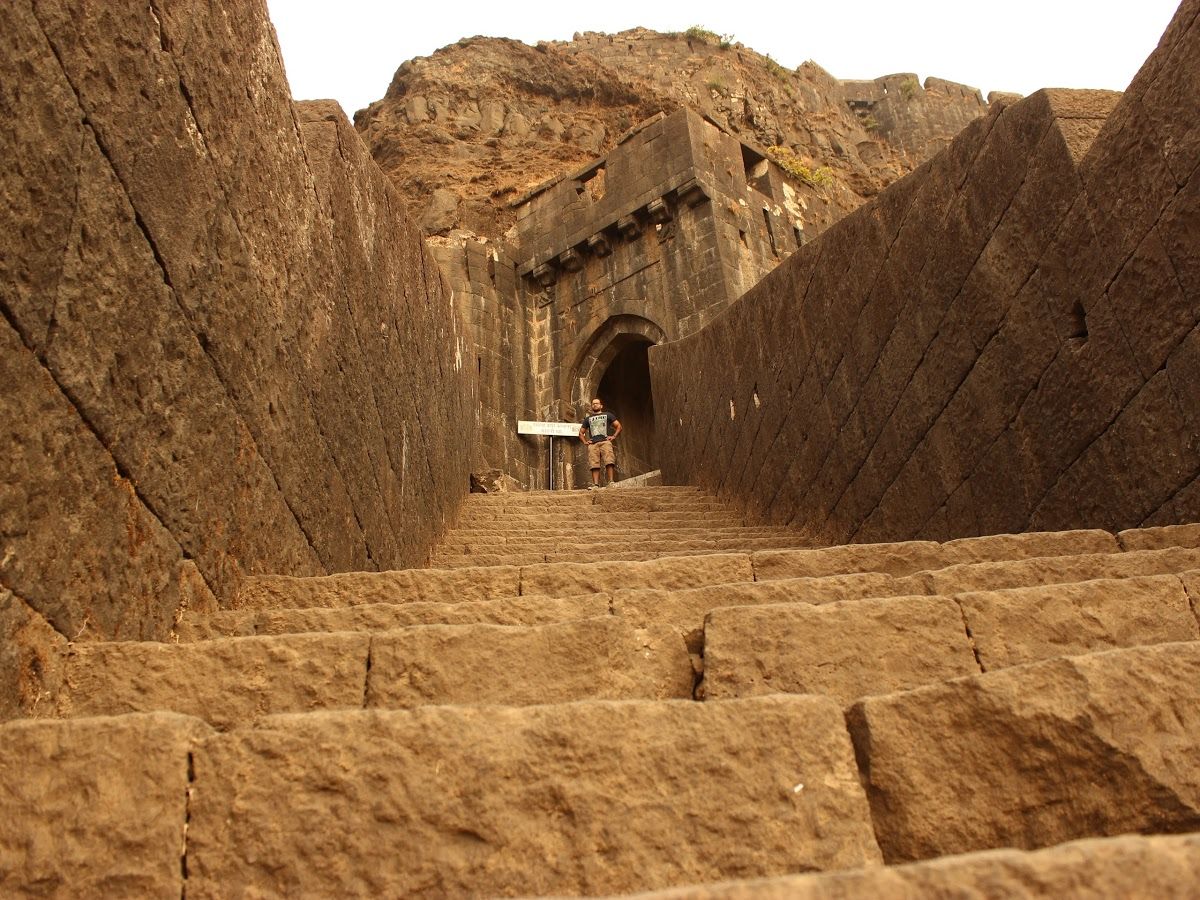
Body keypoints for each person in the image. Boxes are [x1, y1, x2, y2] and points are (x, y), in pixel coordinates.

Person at [579, 397, 622, 488]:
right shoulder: (588, 419)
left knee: (609, 460)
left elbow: (618, 426)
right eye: (593, 404)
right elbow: (581, 432)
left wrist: (613, 436)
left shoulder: (608, 415)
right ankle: (595, 484)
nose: (595, 405)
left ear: (601, 405)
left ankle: (611, 481)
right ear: (591, 406)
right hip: (593, 443)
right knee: (594, 463)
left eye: (597, 403)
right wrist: (585, 442)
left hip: (605, 441)